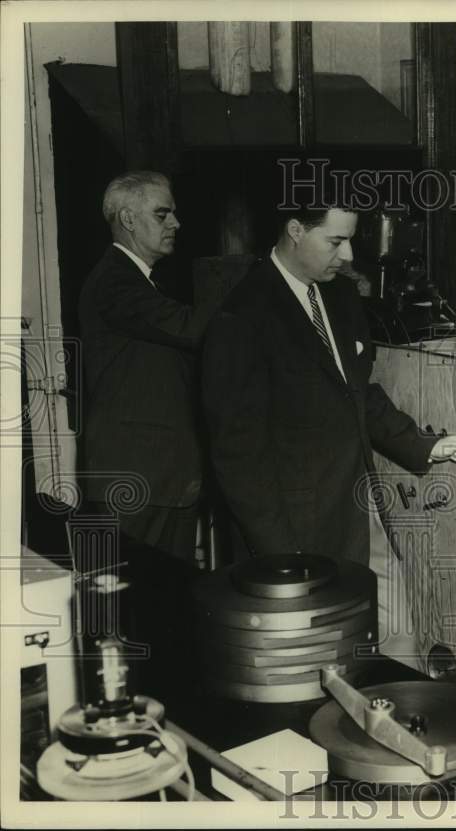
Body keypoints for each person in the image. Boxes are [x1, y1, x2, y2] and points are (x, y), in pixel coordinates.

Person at [201, 205, 456, 662]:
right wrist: (280, 557)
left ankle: (398, 723)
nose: (348, 255)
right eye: (335, 242)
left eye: (350, 240)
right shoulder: (240, 318)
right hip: (292, 530)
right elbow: (237, 453)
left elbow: (359, 393)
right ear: (294, 231)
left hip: (356, 506)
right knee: (320, 661)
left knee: (397, 639)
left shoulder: (341, 297)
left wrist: (423, 445)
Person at [78, 170, 220, 700]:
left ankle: (164, 710)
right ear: (128, 219)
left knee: (159, 608)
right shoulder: (117, 282)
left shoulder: (137, 282)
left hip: (161, 474)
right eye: (164, 213)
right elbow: (190, 328)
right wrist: (271, 299)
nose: (176, 222)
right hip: (137, 476)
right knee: (136, 614)